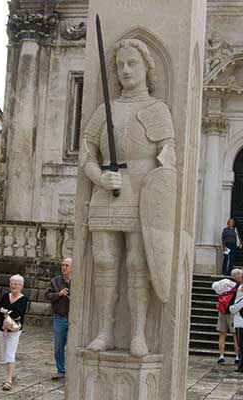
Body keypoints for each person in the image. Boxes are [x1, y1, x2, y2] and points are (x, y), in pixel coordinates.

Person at [80, 39, 177, 357]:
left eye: (131, 63)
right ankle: (105, 331)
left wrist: (162, 173)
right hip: (106, 193)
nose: (125, 70)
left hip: (142, 194)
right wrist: (98, 176)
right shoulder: (103, 111)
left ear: (146, 67)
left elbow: (168, 154)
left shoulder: (157, 110)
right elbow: (87, 153)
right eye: (120, 64)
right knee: (105, 262)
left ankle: (138, 334)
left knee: (137, 263)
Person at [0, 275, 29, 391]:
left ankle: (8, 380)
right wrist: (5, 312)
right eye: (12, 283)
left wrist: (5, 312)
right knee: (4, 354)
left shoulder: (23, 299)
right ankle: (12, 373)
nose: (13, 286)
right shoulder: (5, 296)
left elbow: (18, 314)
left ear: (21, 286)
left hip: (14, 330)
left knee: (10, 353)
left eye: (16, 284)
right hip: (2, 328)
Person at [46, 257, 72, 380]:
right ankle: (61, 370)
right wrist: (59, 294)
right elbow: (48, 295)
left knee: (73, 345)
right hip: (60, 317)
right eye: (62, 265)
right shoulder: (55, 281)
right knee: (59, 346)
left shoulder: (79, 280)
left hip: (74, 319)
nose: (64, 267)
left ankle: (73, 370)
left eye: (66, 265)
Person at [211, 268, 243, 365]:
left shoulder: (224, 282)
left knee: (222, 334)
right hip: (233, 312)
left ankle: (221, 356)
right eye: (241, 275)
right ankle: (237, 356)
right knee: (235, 335)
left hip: (222, 311)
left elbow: (214, 286)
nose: (242, 277)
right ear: (237, 276)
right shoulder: (240, 287)